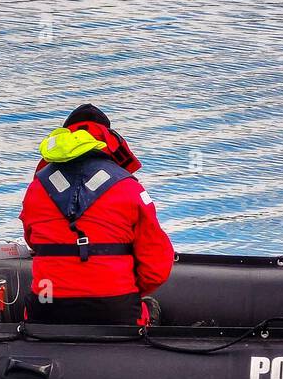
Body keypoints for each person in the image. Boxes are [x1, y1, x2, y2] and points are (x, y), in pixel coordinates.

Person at [20, 104, 173, 325]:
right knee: (151, 307)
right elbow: (156, 267)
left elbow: (32, 241)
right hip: (116, 310)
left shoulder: (37, 188)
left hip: (47, 307)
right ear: (108, 140)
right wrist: (118, 286)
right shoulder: (129, 188)